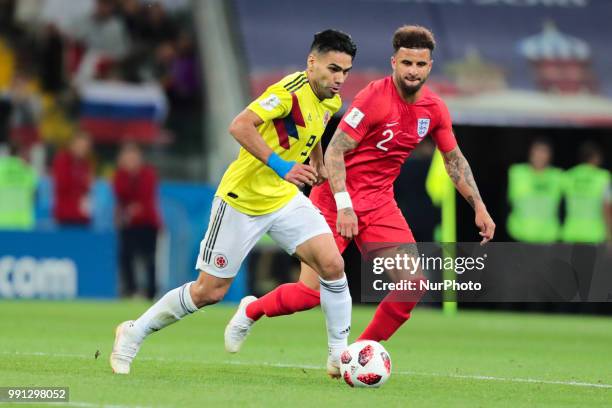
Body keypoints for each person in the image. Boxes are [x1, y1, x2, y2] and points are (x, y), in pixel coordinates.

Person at [225, 25, 495, 354]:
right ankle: (251, 310)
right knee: (309, 294)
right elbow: (336, 150)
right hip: (335, 199)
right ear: (394, 62)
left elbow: (454, 160)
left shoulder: (434, 109)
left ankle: (361, 353)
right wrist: (344, 205)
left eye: (420, 64)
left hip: (379, 204)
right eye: (407, 63)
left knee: (412, 285)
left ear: (430, 67)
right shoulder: (373, 98)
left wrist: (478, 206)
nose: (413, 71)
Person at [111, 29, 357, 377]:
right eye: (333, 69)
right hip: (242, 200)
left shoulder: (330, 99)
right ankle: (133, 332)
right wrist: (283, 165)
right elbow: (239, 126)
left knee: (332, 265)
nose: (339, 79)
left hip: (283, 198)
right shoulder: (287, 92)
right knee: (208, 291)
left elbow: (313, 129)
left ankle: (338, 356)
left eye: (345, 72)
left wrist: (315, 160)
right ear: (312, 62)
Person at [113, 142, 162, 299]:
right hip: (128, 224)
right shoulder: (120, 175)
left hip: (147, 223)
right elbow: (120, 193)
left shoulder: (148, 173)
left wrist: (133, 210)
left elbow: (146, 199)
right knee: (126, 257)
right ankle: (130, 290)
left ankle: (151, 292)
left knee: (149, 258)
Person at [507, 138, 563, 243]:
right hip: (520, 236)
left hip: (549, 237)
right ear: (530, 153)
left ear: (550, 156)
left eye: (544, 152)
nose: (540, 156)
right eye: (537, 151)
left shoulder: (558, 176)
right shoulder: (516, 173)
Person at [561, 142, 611, 244]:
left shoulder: (568, 176)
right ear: (596, 157)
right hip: (594, 235)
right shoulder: (603, 177)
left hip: (571, 233)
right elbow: (607, 208)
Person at [51, 131, 93, 225]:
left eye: (85, 147)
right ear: (72, 145)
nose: (82, 149)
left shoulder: (86, 165)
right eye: (80, 145)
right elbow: (62, 185)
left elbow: (87, 188)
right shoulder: (62, 160)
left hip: (83, 217)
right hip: (65, 216)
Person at [0, 143, 37, 230]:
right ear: (20, 153)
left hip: (2, 221)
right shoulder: (28, 171)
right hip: (24, 222)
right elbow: (34, 197)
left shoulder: (0, 169)